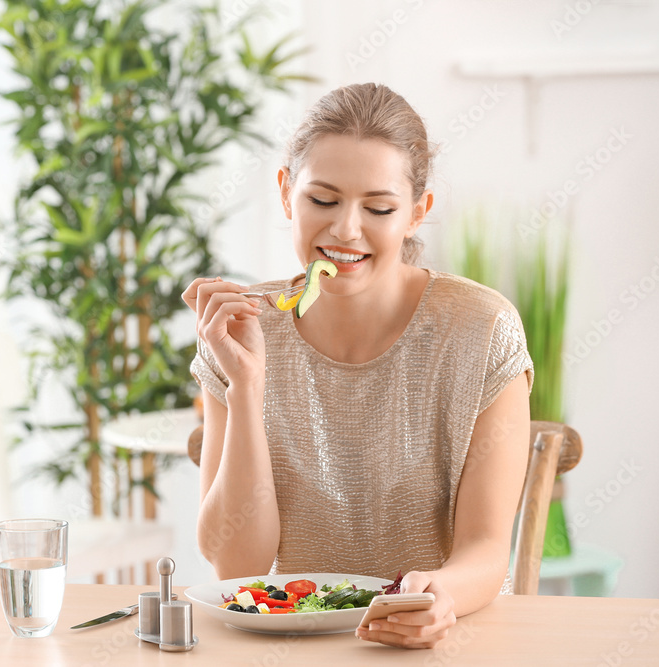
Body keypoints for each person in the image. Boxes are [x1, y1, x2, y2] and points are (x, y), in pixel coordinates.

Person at [181, 83, 533, 649]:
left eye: (379, 208)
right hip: (298, 646)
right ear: (284, 192)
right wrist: (247, 386)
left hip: (444, 639)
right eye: (322, 200)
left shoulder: (482, 330)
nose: (346, 230)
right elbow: (235, 566)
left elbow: (487, 550)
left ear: (418, 212)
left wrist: (437, 595)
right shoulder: (242, 331)